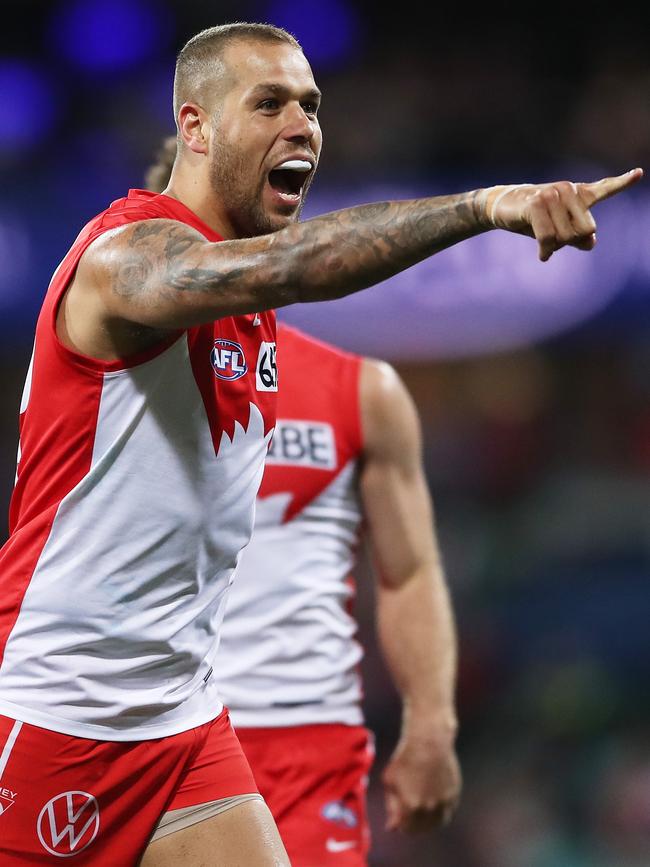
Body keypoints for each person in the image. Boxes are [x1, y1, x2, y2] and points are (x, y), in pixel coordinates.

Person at [0, 20, 641, 867]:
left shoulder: (252, 303)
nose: (302, 124)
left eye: (310, 104)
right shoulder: (125, 257)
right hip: (58, 714)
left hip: (181, 719)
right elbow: (294, 266)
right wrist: (485, 206)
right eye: (269, 103)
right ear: (195, 127)